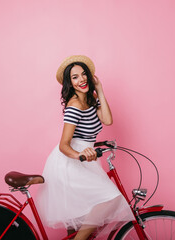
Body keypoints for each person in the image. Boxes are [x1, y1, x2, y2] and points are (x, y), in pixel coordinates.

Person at [36, 55, 134, 240]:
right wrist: (80, 154)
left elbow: (107, 119)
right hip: (70, 161)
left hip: (86, 158)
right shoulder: (74, 105)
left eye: (83, 74)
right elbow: (64, 145)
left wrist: (100, 91)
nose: (81, 79)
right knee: (111, 198)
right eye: (75, 77)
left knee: (78, 224)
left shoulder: (91, 97)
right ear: (69, 83)